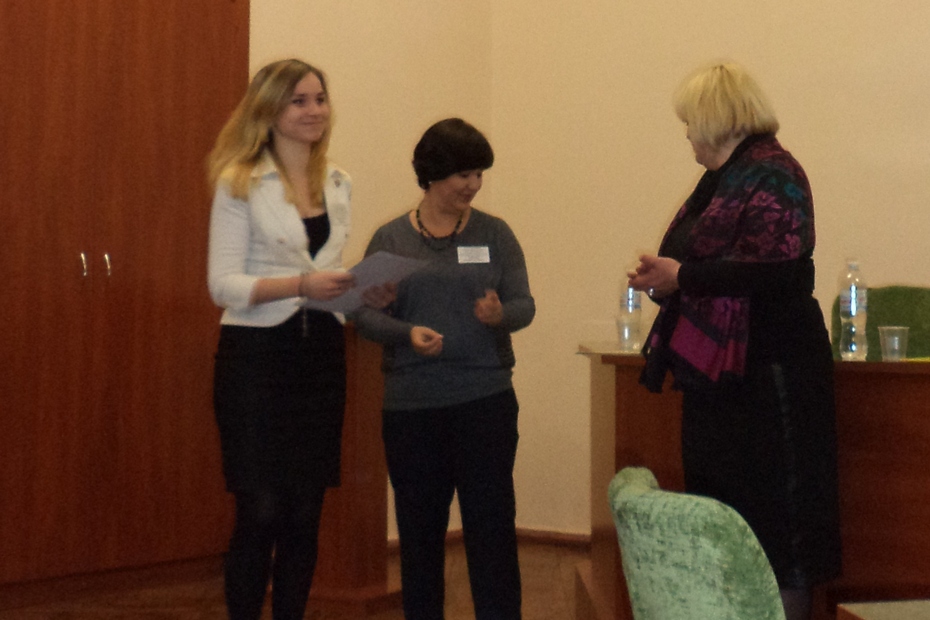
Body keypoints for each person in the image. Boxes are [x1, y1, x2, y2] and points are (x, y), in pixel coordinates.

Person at [628, 63, 841, 620]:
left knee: (779, 530)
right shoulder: (720, 179)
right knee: (724, 516)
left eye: (689, 121)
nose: (686, 134)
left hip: (774, 374)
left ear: (715, 118)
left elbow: (783, 273)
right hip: (720, 379)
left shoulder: (774, 173)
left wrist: (683, 276)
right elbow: (699, 262)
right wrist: (666, 279)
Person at [206, 59, 392, 620]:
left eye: (320, 99)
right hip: (256, 359)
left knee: (305, 513)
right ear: (268, 111)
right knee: (260, 509)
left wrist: (361, 292)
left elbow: (327, 275)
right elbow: (222, 285)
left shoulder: (338, 182)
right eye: (299, 101)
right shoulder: (240, 181)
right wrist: (300, 285)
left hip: (319, 357)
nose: (315, 111)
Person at [354, 118, 535, 620]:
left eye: (480, 174)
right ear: (433, 174)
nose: (474, 185)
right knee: (419, 536)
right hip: (412, 410)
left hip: (485, 403)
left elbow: (524, 305)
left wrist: (501, 315)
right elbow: (362, 314)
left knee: (491, 531)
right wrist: (405, 332)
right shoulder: (391, 239)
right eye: (464, 175)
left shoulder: (495, 234)